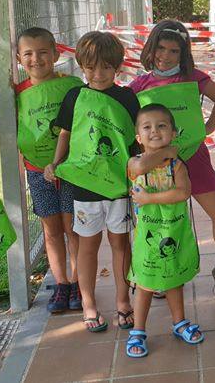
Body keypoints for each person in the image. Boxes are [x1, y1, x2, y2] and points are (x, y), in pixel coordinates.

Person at [127, 20, 215, 299]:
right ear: (150, 49)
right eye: (160, 48)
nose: (165, 55)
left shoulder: (194, 78)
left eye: (174, 51)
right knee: (158, 222)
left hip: (193, 157)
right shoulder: (139, 85)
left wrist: (207, 129)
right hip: (157, 165)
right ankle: (160, 272)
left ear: (183, 54)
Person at [44, 31, 139, 332]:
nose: (98, 74)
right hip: (84, 189)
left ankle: (123, 303)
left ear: (117, 67)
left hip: (120, 188)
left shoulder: (127, 98)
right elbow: (66, 133)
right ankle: (89, 304)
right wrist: (56, 164)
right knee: (87, 247)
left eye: (106, 67)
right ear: (81, 66)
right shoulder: (74, 97)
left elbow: (136, 140)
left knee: (121, 245)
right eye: (91, 67)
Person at [124, 104, 204, 357]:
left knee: (174, 277)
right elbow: (138, 168)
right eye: (147, 127)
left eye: (161, 126)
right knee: (145, 283)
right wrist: (167, 152)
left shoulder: (177, 166)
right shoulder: (135, 162)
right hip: (148, 238)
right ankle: (138, 329)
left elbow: (184, 192)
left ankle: (179, 322)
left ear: (173, 132)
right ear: (138, 137)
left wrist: (150, 199)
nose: (155, 131)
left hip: (174, 232)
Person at [13, 27, 82, 313]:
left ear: (55, 54)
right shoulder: (15, 94)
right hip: (37, 170)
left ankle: (79, 282)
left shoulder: (72, 86)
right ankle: (62, 284)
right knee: (51, 230)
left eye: (43, 52)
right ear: (19, 58)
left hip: (70, 170)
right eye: (28, 53)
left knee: (72, 227)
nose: (36, 59)